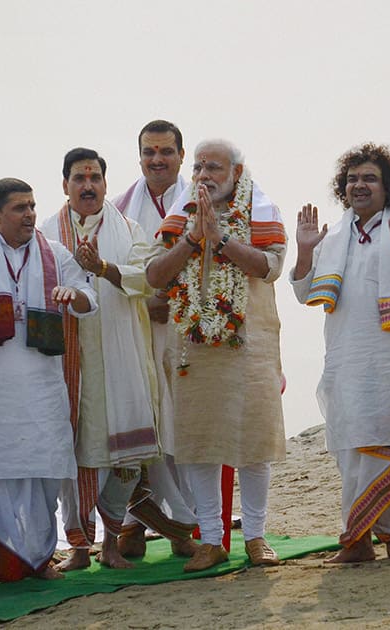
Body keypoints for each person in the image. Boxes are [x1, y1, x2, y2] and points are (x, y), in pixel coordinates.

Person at [0, 177, 96, 583]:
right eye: (19, 208)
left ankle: (40, 561)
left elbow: (88, 297)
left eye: (31, 206)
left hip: (43, 389)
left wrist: (71, 295)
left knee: (44, 475)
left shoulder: (54, 253)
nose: (30, 214)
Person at [146, 139, 287, 572]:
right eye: (200, 166)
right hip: (192, 347)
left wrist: (221, 239)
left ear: (237, 173)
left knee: (253, 442)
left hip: (250, 343)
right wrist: (192, 239)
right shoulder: (180, 216)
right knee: (199, 443)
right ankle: (211, 539)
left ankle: (258, 537)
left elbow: (271, 266)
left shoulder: (262, 211)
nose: (204, 174)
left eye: (215, 167)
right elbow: (154, 275)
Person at [291, 143, 390, 562]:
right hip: (346, 362)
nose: (359, 185)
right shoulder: (332, 235)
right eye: (352, 179)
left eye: (369, 178)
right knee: (354, 451)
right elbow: (302, 292)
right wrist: (303, 249)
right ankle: (357, 542)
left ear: (387, 186)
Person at [39, 147, 166, 570]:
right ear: (65, 185)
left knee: (126, 457)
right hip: (70, 361)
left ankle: (110, 543)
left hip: (122, 351)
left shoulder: (129, 229)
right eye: (79, 178)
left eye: (95, 177)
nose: (88, 185)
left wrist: (105, 267)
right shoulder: (46, 235)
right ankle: (78, 547)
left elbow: (147, 281)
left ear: (106, 184)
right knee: (77, 452)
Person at [111, 120, 199, 559]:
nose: (157, 160)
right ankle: (133, 524)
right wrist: (147, 306)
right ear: (139, 157)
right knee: (145, 420)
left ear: (182, 155)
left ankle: (190, 521)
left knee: (185, 423)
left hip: (194, 330)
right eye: (149, 152)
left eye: (166, 151)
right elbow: (114, 273)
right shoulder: (120, 209)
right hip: (141, 331)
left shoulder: (202, 198)